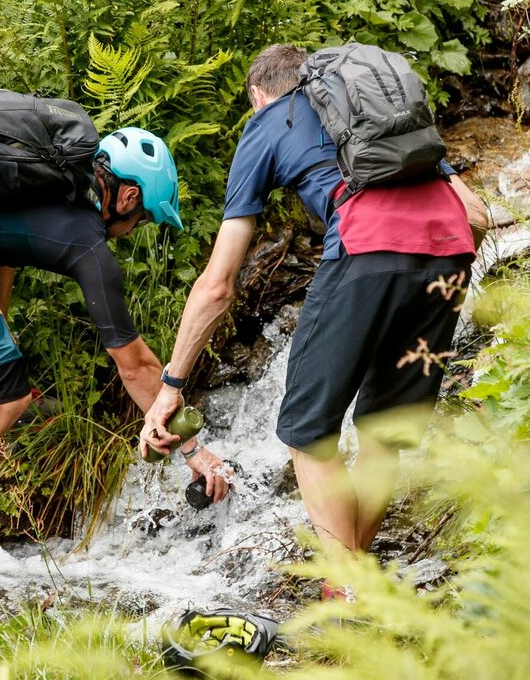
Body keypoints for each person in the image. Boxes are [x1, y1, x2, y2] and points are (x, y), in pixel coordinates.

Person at [140, 43, 489, 577]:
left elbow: (217, 284)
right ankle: (358, 579)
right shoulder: (378, 118)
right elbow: (477, 215)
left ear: (258, 94)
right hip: (450, 254)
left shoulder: (267, 123)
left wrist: (171, 385)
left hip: (365, 251)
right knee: (384, 433)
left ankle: (344, 591)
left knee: (306, 433)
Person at [0, 120, 231, 566]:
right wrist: (192, 448)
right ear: (128, 197)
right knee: (1, 394)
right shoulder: (87, 244)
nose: (135, 228)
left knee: (2, 382)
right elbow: (136, 366)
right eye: (142, 218)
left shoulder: (37, 182)